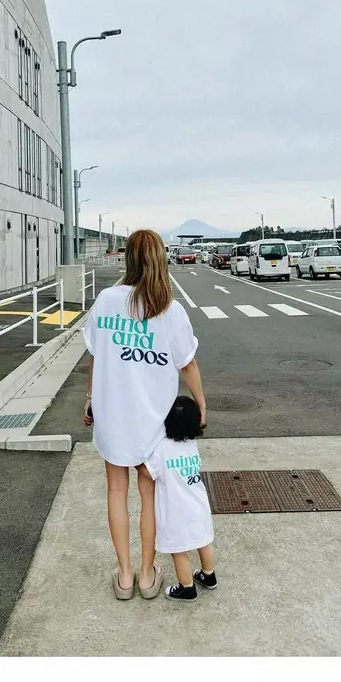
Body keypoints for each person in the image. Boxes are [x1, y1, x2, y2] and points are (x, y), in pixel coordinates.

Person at [82, 228, 207, 600]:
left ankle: (124, 575)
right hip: (153, 421)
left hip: (113, 415)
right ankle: (148, 575)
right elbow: (188, 364)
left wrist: (90, 398)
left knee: (115, 490)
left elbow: (95, 355)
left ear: (128, 260)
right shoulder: (169, 309)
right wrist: (201, 404)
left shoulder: (106, 301)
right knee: (149, 495)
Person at [144, 396, 216, 602]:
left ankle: (187, 588)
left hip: (176, 510)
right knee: (204, 542)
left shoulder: (162, 448)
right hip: (199, 506)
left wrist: (137, 462)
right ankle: (208, 575)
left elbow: (149, 472)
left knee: (178, 550)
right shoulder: (192, 445)